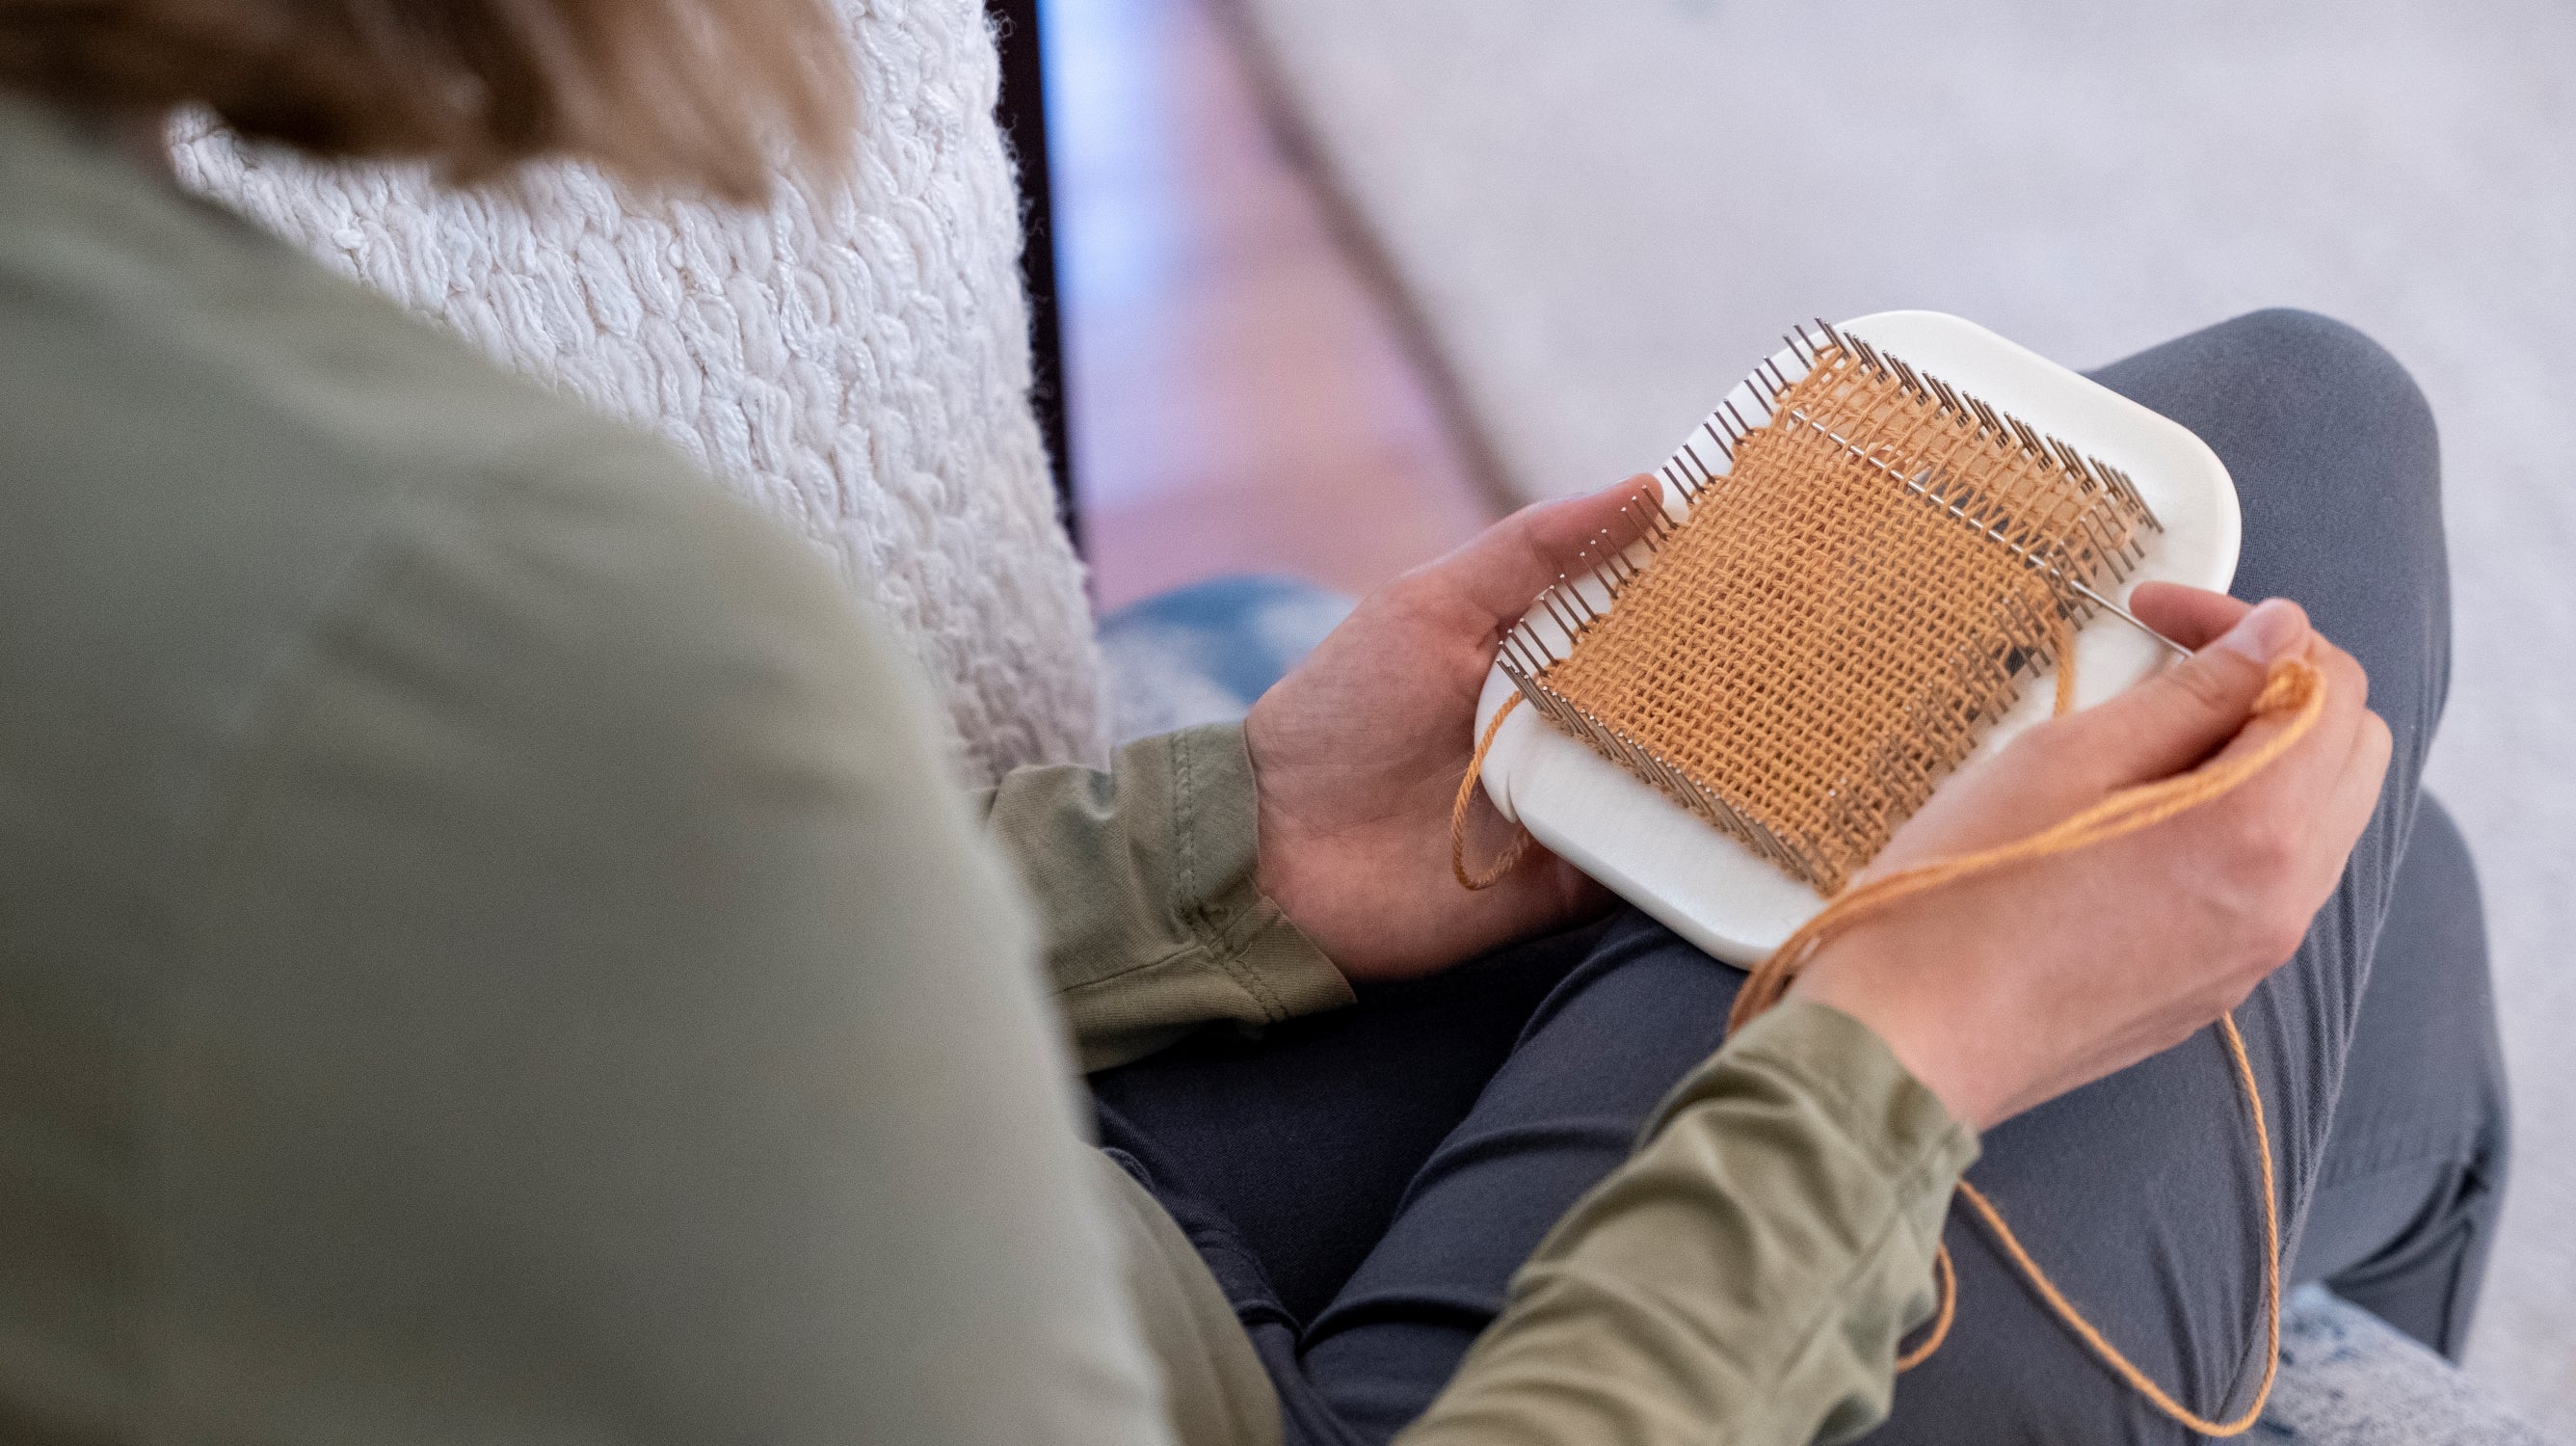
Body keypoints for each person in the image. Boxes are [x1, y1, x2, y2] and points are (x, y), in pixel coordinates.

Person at [0, 5, 2504, 1446]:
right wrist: (1904, 1058)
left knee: (2294, 791)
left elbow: (483, 1052)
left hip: (1062, 1201)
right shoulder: (507, 620)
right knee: (2302, 502)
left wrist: (1209, 858)